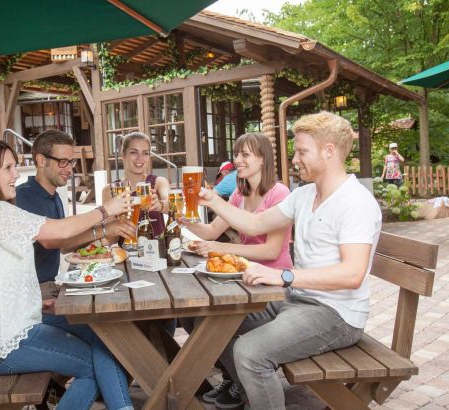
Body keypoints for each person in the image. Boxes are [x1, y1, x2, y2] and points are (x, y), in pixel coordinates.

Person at [197, 112, 382, 409]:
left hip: (337, 313)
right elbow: (255, 225)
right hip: (298, 300)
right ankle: (248, 393)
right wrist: (213, 201)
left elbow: (352, 274)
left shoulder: (355, 202)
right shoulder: (304, 195)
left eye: (302, 151)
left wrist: (284, 277)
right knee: (217, 319)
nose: (295, 159)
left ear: (329, 151)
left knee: (250, 352)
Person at [0, 140, 133, 410]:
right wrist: (105, 210)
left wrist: (33, 302)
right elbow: (55, 232)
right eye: (8, 168)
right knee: (91, 367)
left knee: (102, 334)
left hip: (13, 325)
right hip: (2, 343)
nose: (16, 174)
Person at [182, 133, 293, 408]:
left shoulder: (280, 194)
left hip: (274, 289)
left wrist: (221, 249)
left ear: (263, 158)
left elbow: (270, 252)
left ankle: (241, 385)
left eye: (245, 154)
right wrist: (186, 220)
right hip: (243, 281)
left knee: (208, 324)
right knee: (189, 315)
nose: (237, 160)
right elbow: (211, 231)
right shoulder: (239, 194)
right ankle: (235, 378)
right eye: (237, 153)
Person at [16, 129, 135, 294]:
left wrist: (110, 228)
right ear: (41, 160)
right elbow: (52, 241)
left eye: (71, 162)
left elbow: (65, 245)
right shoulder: (24, 196)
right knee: (107, 312)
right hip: (33, 292)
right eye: (63, 161)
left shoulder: (53, 196)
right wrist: (105, 219)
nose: (70, 169)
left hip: (50, 285)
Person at [102, 131, 170, 237]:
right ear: (123, 155)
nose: (140, 158)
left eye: (145, 153)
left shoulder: (159, 183)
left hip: (157, 250)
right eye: (134, 152)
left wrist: (160, 205)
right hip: (125, 251)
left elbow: (172, 205)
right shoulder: (109, 190)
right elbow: (111, 239)